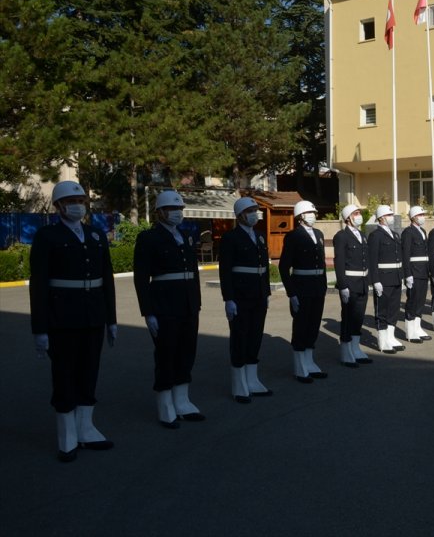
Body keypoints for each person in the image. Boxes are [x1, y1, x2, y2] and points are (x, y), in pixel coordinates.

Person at [29, 180, 117, 462]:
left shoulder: (95, 235)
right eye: (71, 202)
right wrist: (40, 328)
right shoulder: (47, 236)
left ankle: (86, 428)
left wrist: (111, 320)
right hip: (61, 319)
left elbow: (107, 280)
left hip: (93, 317)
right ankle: (67, 437)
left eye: (81, 202)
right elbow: (39, 285)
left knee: (89, 372)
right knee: (65, 375)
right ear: (58, 206)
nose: (77, 206)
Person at [133, 190, 204, 429]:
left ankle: (182, 401)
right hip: (164, 306)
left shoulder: (184, 236)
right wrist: (148, 312)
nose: (178, 213)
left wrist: (197, 303)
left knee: (187, 353)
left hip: (187, 305)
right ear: (160, 212)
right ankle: (165, 406)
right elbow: (141, 278)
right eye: (173, 209)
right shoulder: (148, 238)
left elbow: (193, 274)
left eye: (180, 209)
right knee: (166, 355)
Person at [219, 196, 274, 402]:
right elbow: (225, 271)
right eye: (250, 211)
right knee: (240, 338)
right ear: (240, 215)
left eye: (255, 210)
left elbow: (264, 268)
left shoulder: (259, 236)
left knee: (255, 336)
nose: (255, 214)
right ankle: (239, 385)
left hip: (258, 295)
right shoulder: (230, 238)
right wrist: (228, 298)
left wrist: (266, 292)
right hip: (240, 296)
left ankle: (252, 380)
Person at [279, 201, 334, 374]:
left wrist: (324, 285)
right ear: (301, 216)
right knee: (301, 325)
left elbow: (322, 263)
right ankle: (299, 366)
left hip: (317, 286)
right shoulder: (293, 236)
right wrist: (291, 293)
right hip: (301, 286)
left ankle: (309, 361)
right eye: (310, 212)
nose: (313, 215)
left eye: (314, 212)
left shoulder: (318, 233)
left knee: (313, 324)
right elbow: (283, 267)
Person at [334, 204, 380, 360]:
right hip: (350, 283)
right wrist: (343, 285)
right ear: (348, 218)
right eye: (356, 213)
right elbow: (339, 262)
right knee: (348, 317)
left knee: (359, 317)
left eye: (359, 213)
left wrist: (371, 281)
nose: (359, 215)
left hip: (362, 282)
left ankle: (355, 348)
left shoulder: (362, 235)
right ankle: (346, 351)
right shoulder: (341, 236)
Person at [368, 205, 407, 352]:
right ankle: (383, 341)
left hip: (395, 277)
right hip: (383, 279)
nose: (391, 217)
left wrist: (401, 277)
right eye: (389, 215)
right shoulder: (375, 235)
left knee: (393, 309)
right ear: (381, 217)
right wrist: (375, 280)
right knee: (382, 310)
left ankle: (391, 337)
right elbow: (373, 260)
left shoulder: (394, 234)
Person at [401, 206, 431, 343]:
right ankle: (410, 331)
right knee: (412, 301)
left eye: (423, 214)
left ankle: (417, 328)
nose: (422, 216)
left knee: (420, 301)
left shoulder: (422, 231)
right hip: (414, 271)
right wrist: (408, 274)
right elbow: (405, 255)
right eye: (420, 214)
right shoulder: (408, 232)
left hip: (423, 271)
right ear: (413, 217)